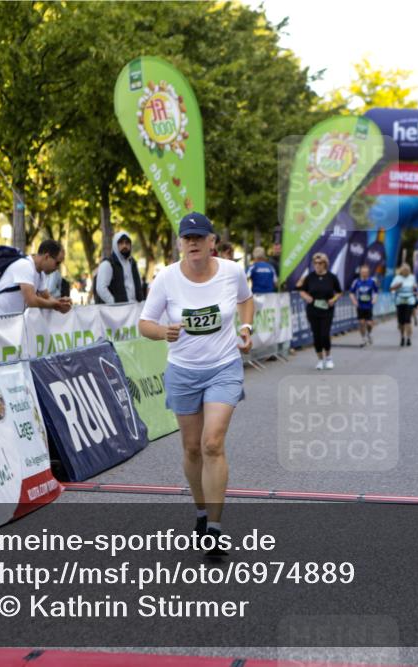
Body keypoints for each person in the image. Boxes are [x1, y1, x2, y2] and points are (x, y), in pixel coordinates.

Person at [138, 212, 253, 558]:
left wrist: (246, 330)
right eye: (187, 238)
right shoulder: (166, 279)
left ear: (212, 242)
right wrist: (163, 332)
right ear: (179, 244)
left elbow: (246, 301)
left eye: (199, 238)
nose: (193, 243)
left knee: (212, 443)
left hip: (223, 367)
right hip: (183, 371)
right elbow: (144, 323)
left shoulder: (232, 272)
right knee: (191, 448)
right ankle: (201, 512)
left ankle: (215, 530)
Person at [0, 240, 71, 316]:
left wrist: (61, 302)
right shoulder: (25, 266)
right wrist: (56, 305)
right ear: (47, 257)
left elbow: (47, 297)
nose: (57, 268)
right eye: (57, 263)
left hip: (4, 322)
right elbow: (31, 301)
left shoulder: (40, 273)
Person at [296, 252, 342, 369]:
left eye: (320, 263)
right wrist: (306, 297)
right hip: (313, 310)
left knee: (325, 335)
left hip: (327, 310)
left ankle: (329, 357)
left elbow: (340, 292)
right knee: (316, 336)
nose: (317, 265)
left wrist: (334, 299)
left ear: (325, 264)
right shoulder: (310, 277)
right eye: (315, 263)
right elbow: (301, 289)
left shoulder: (331, 277)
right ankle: (320, 360)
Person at [95, 232, 146, 304]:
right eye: (121, 243)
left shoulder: (132, 263)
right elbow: (101, 289)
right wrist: (115, 304)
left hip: (134, 309)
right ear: (115, 245)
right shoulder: (108, 264)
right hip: (118, 311)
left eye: (127, 243)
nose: (124, 246)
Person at [349, 264, 378, 346]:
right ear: (360, 273)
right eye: (362, 272)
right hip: (360, 305)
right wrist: (354, 301)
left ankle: (369, 333)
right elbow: (351, 293)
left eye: (365, 272)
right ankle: (363, 338)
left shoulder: (372, 281)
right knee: (361, 323)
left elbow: (376, 292)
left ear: (368, 273)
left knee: (369, 323)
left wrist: (374, 299)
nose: (364, 273)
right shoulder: (356, 281)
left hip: (369, 305)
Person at [390, 263, 417, 347]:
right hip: (400, 301)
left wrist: (415, 288)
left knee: (407, 320)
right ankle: (402, 337)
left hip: (409, 300)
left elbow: (415, 288)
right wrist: (397, 286)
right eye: (404, 271)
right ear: (401, 271)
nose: (406, 272)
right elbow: (391, 288)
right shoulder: (397, 278)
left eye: (407, 270)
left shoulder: (412, 277)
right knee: (401, 322)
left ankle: (408, 338)